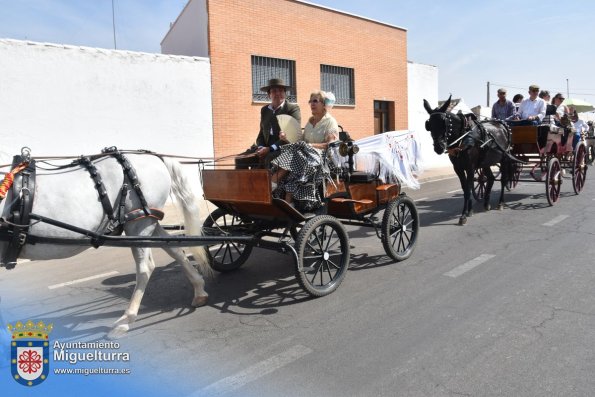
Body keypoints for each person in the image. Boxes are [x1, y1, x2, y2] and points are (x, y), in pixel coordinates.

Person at [270, 90, 339, 211]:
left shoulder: (330, 121)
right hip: (305, 156)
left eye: (315, 101)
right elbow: (300, 141)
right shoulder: (309, 122)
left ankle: (273, 184)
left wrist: (310, 146)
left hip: (322, 159)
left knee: (297, 154)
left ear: (324, 104)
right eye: (310, 101)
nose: (312, 104)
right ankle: (285, 198)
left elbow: (329, 145)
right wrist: (286, 138)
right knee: (292, 152)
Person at [235, 78, 301, 169]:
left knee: (269, 158)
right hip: (265, 148)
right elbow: (262, 133)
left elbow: (292, 135)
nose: (277, 93)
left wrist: (270, 148)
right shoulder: (264, 110)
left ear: (285, 93)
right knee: (240, 159)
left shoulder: (292, 109)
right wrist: (261, 147)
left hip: (283, 149)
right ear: (269, 94)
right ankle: (244, 183)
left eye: (281, 91)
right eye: (274, 91)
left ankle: (267, 183)